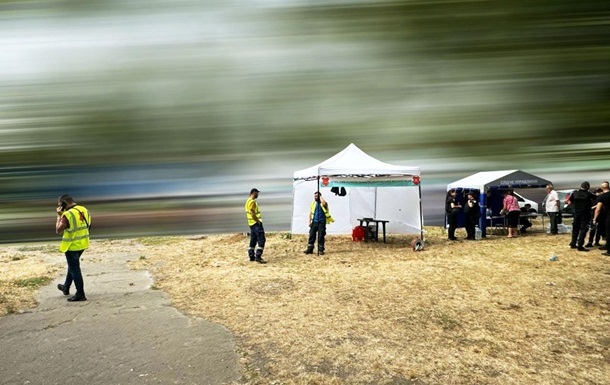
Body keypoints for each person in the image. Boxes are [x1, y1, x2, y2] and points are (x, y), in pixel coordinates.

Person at [55, 194, 91, 302]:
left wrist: (59, 216)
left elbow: (58, 230)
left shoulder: (67, 214)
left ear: (63, 204)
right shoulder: (84, 209)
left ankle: (80, 294)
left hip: (71, 246)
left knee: (75, 269)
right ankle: (66, 286)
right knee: (72, 266)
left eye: (60, 205)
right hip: (83, 243)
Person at [568, 182, 596, 251]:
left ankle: (573, 243)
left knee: (575, 228)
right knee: (583, 229)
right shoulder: (588, 194)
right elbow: (596, 199)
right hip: (585, 214)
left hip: (576, 213)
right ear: (587, 187)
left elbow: (570, 200)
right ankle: (580, 245)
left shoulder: (574, 193)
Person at [245, 188, 266, 264]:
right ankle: (258, 256)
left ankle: (251, 256)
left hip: (251, 223)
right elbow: (252, 213)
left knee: (253, 240)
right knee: (261, 239)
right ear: (254, 193)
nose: (258, 195)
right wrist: (257, 221)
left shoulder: (248, 201)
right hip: (256, 223)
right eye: (257, 193)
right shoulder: (252, 202)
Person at [592, 181, 610, 256]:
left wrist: (594, 218)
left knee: (608, 233)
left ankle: (609, 250)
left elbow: (598, 209)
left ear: (602, 188)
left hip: (609, 216)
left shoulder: (602, 197)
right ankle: (607, 245)